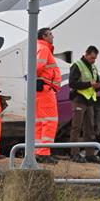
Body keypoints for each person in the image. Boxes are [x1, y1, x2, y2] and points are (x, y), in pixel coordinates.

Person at [69, 45, 100, 163]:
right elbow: (72, 83)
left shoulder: (94, 68)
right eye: (92, 58)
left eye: (95, 58)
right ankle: (74, 154)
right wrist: (89, 84)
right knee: (76, 127)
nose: (93, 60)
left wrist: (98, 87)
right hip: (79, 99)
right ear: (86, 54)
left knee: (90, 129)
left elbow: (95, 83)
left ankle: (89, 154)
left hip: (90, 101)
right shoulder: (77, 65)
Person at [35, 27, 61, 164]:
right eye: (50, 34)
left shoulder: (39, 47)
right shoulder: (44, 49)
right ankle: (44, 153)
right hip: (45, 89)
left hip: (41, 88)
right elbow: (38, 67)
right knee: (50, 121)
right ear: (44, 36)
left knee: (40, 122)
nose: (53, 36)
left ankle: (38, 151)